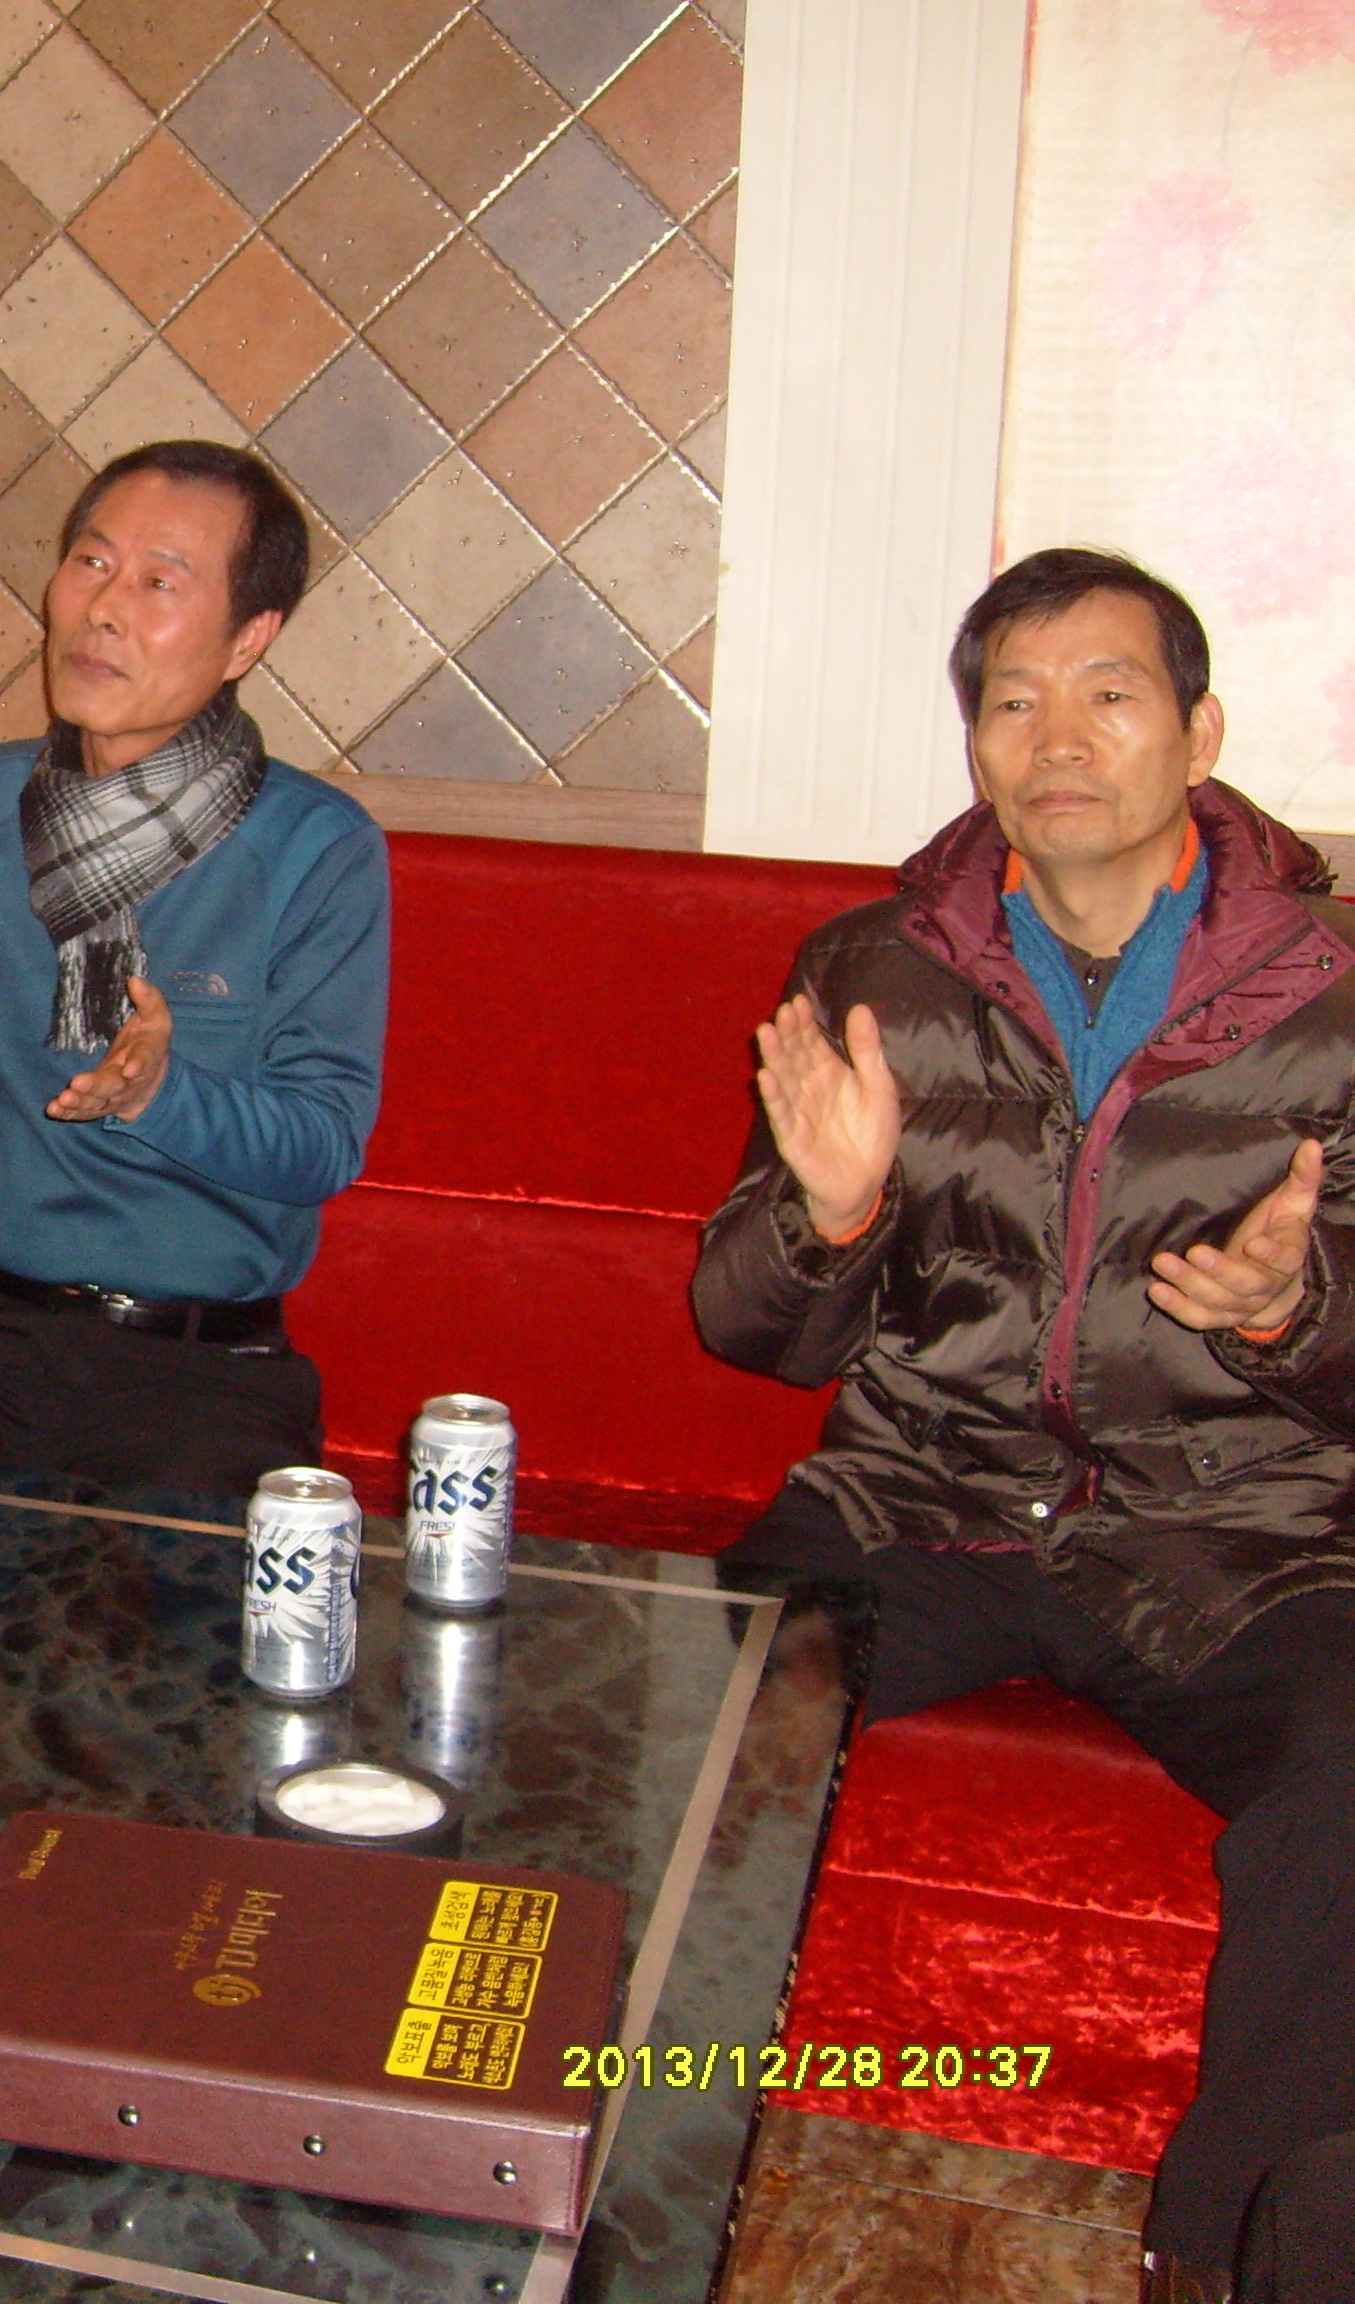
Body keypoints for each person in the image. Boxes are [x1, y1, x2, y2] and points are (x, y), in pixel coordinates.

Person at [694, 548, 1355, 2304]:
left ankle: (1232, 2258)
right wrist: (829, 1214)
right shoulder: (872, 968)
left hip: (1237, 1531)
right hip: (924, 1497)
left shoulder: (1336, 988)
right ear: (975, 740)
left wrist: (1289, 1310)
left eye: (1109, 694)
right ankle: (600, 2170)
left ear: (1199, 733)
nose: (1057, 737)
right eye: (1013, 700)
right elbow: (740, 1329)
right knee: (677, 1716)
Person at [0, 440, 388, 1496]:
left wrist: (158, 1094)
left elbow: (322, 1145)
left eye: (158, 583)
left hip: (200, 1372)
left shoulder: (316, 847)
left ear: (248, 637)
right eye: (91, 563)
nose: (102, 610)